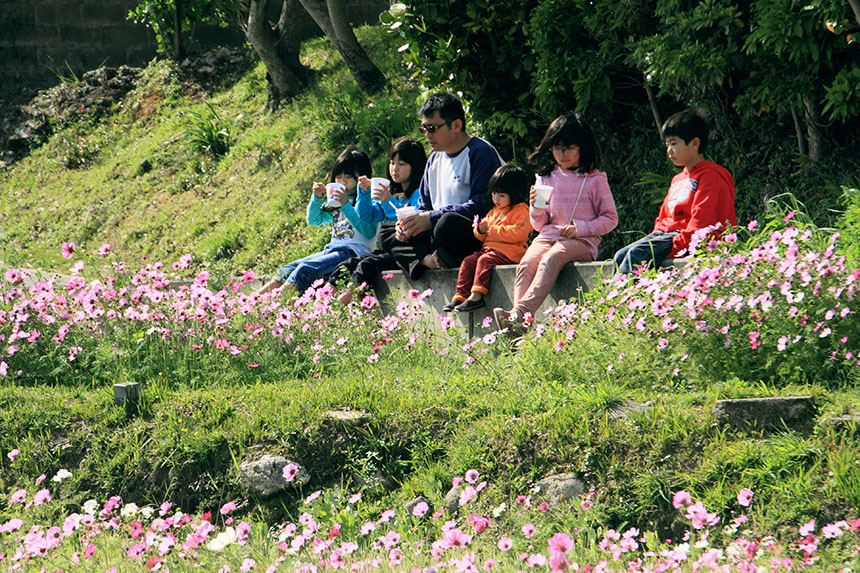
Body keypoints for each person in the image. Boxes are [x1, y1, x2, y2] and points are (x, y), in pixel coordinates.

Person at [493, 113, 618, 334]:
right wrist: (536, 207)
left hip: (582, 242)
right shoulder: (545, 178)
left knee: (552, 258)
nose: (562, 154)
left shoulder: (595, 179)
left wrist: (581, 228)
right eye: (557, 148)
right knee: (526, 264)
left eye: (569, 148)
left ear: (582, 147)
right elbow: (540, 225)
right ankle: (518, 321)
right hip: (548, 236)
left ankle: (518, 316)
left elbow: (610, 218)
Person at [379, 92, 504, 279]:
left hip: (474, 233)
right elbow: (424, 205)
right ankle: (428, 259)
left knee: (446, 223)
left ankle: (423, 258)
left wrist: (431, 218)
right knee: (386, 231)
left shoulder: (481, 152)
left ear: (456, 125)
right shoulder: (434, 160)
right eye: (424, 129)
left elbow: (483, 204)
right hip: (435, 234)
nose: (427, 135)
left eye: (432, 128)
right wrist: (410, 222)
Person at [613, 109, 736, 275]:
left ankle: (622, 300)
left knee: (637, 255)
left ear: (694, 143)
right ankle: (615, 300)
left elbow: (702, 220)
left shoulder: (711, 176)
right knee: (620, 256)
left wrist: (676, 245)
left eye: (673, 143)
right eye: (667, 145)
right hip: (665, 236)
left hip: (687, 238)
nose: (669, 150)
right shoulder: (677, 179)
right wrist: (656, 239)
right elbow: (662, 218)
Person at [259, 147, 377, 296]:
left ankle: (274, 307)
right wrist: (317, 198)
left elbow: (368, 232)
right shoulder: (337, 203)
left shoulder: (367, 201)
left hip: (354, 252)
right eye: (338, 177)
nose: (343, 181)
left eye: (348, 176)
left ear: (362, 177)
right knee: (288, 268)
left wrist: (346, 206)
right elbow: (314, 219)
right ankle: (254, 302)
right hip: (331, 250)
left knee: (305, 268)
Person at [327, 138, 427, 304]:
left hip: (409, 251)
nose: (394, 169)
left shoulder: (419, 194)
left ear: (415, 167)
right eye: (392, 163)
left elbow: (410, 221)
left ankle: (339, 307)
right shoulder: (392, 192)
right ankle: (321, 303)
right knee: (348, 264)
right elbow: (367, 216)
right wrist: (364, 193)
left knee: (367, 265)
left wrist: (388, 201)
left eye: (401, 164)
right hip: (390, 250)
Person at [442, 165, 532, 313]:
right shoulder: (493, 212)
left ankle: (477, 295)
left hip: (510, 253)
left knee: (484, 261)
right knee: (469, 260)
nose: (496, 198)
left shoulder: (522, 211)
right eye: (494, 194)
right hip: (489, 250)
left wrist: (490, 230)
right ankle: (460, 296)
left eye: (501, 196)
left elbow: (519, 233)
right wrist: (480, 230)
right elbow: (481, 236)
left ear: (515, 194)